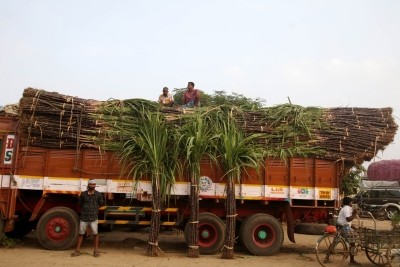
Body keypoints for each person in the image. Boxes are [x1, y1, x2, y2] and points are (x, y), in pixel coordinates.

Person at [71, 179, 104, 257]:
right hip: (84, 217)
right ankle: (77, 251)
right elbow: (80, 203)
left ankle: (96, 251)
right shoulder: (83, 194)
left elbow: (101, 204)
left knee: (95, 234)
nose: (92, 185)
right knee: (81, 234)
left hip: (94, 217)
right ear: (88, 185)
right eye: (91, 184)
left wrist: (94, 208)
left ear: (95, 185)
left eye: (94, 184)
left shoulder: (98, 194)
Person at [336, 196, 360, 265]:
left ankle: (327, 256)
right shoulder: (346, 209)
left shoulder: (345, 208)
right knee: (353, 241)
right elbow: (348, 219)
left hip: (342, 226)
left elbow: (348, 222)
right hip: (343, 228)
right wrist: (354, 214)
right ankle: (352, 261)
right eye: (351, 202)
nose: (352, 204)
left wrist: (355, 228)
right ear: (349, 203)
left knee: (337, 241)